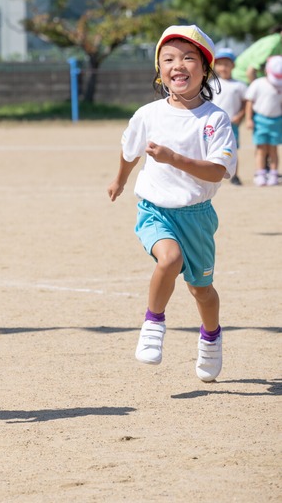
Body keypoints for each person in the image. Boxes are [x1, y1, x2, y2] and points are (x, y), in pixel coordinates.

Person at [107, 26, 235, 383]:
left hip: (197, 216)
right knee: (170, 258)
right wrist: (120, 178)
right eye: (169, 59)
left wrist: (173, 158)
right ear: (159, 72)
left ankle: (210, 338)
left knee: (202, 291)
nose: (179, 65)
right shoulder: (148, 114)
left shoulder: (215, 119)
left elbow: (216, 171)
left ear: (205, 69)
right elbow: (130, 149)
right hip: (155, 210)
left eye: (189, 58)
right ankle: (153, 322)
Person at [244, 55, 282, 187]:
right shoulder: (258, 84)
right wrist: (249, 119)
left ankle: (273, 173)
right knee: (261, 149)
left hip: (277, 120)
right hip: (260, 119)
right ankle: (260, 173)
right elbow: (249, 102)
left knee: (273, 149)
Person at [211, 48, 248, 185]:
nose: (223, 67)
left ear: (233, 65)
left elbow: (245, 103)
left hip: (232, 123)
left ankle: (235, 175)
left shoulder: (239, 85)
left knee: (232, 149)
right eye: (220, 64)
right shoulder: (211, 84)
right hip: (213, 123)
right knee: (211, 147)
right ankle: (210, 173)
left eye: (227, 64)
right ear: (215, 66)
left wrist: (240, 115)